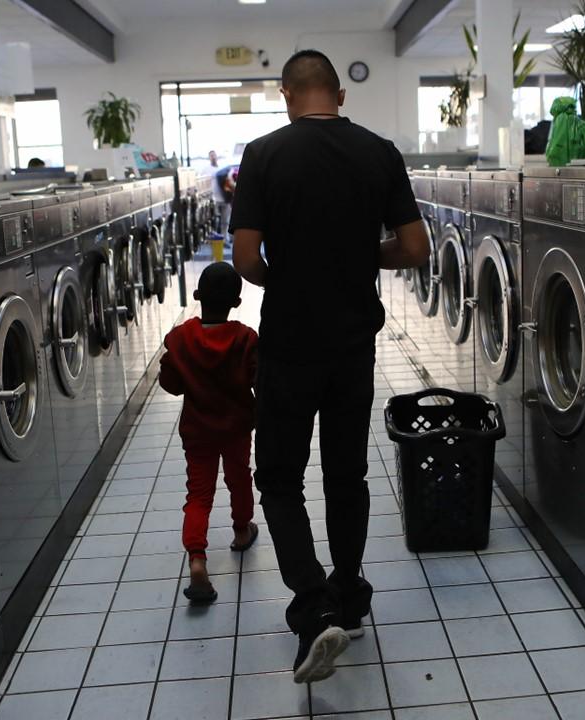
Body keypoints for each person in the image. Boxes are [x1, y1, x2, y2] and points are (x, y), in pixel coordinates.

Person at [230, 49, 429, 684]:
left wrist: (288, 276)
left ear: (286, 93)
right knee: (348, 475)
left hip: (289, 344)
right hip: (353, 345)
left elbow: (244, 259)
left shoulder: (262, 155)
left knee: (281, 479)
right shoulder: (379, 152)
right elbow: (417, 248)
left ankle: (313, 609)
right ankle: (350, 591)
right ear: (339, 93)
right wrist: (357, 257)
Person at [157, 262, 260, 603]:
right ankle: (242, 530)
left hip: (197, 431)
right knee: (239, 477)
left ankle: (198, 560)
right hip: (236, 428)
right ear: (237, 302)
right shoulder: (245, 338)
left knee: (198, 495)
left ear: (197, 296)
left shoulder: (181, 338)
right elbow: (257, 380)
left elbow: (171, 385)